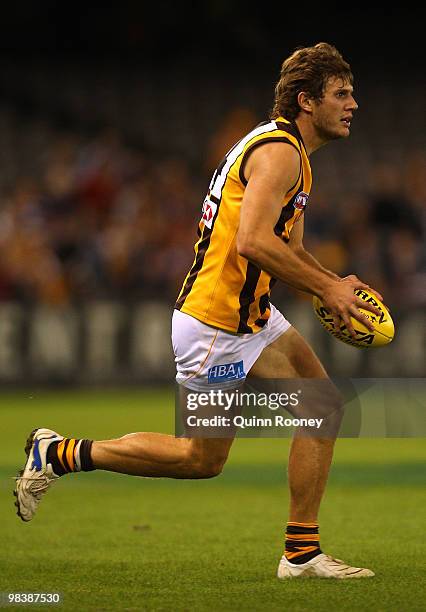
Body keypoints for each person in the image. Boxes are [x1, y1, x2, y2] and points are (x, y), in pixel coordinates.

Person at [15, 43, 382, 579]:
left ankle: (301, 554)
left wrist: (332, 283)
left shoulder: (290, 154)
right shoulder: (279, 153)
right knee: (199, 459)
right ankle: (62, 453)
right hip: (216, 326)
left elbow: (289, 249)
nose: (354, 103)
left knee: (323, 407)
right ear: (307, 101)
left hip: (249, 318)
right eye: (342, 93)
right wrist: (327, 292)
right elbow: (253, 243)